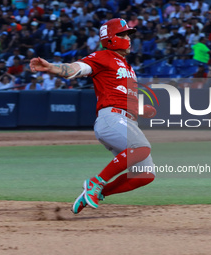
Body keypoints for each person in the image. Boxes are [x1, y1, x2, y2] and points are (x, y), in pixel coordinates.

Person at [30, 18, 156, 214]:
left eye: (128, 34)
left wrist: (142, 109)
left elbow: (124, 98)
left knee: (145, 174)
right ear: (111, 38)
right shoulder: (103, 56)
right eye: (123, 34)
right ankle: (95, 183)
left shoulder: (129, 69)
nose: (128, 38)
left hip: (125, 120)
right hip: (111, 119)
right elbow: (76, 68)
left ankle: (98, 192)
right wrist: (53, 68)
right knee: (141, 148)